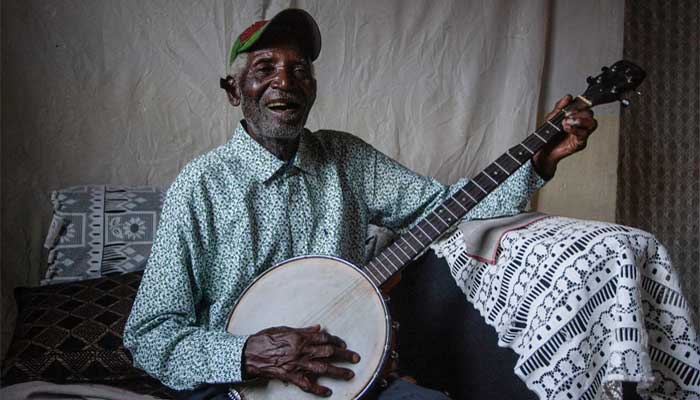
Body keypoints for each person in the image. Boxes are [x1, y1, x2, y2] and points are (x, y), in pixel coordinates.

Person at [124, 8, 597, 400]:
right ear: (233, 91)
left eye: (300, 70)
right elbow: (148, 335)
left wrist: (537, 162)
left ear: (312, 88)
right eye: (265, 69)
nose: (284, 82)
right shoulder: (200, 185)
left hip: (343, 375)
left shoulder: (345, 156)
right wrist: (245, 354)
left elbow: (447, 208)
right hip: (239, 387)